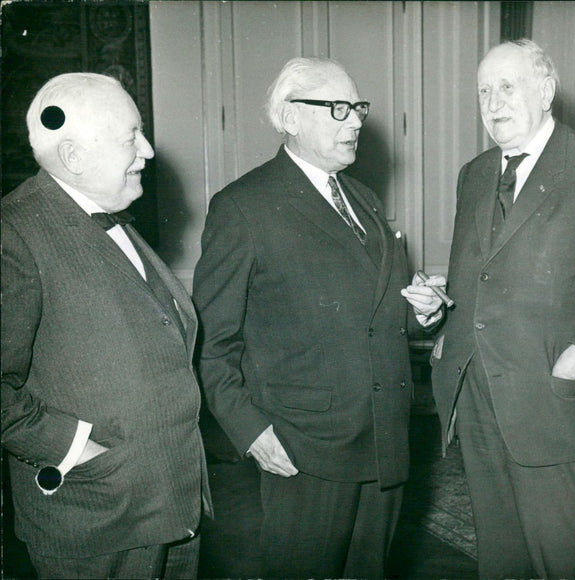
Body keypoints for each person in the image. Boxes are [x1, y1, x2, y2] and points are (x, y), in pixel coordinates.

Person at [192, 57, 443, 579]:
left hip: (385, 440)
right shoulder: (243, 207)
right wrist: (251, 430)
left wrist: (425, 312)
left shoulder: (365, 199)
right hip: (303, 447)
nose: (355, 121)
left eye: (357, 108)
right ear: (289, 117)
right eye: (337, 108)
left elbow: (380, 312)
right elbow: (212, 344)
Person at [428, 38, 575, 578]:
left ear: (546, 91)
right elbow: (487, 275)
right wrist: (445, 313)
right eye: (483, 90)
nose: (493, 102)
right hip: (478, 397)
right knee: (501, 559)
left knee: (559, 560)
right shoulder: (475, 173)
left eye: (507, 87)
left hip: (555, 404)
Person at [1, 73, 211, 579]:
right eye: (131, 137)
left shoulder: (111, 218)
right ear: (73, 157)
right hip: (97, 520)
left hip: (173, 508)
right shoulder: (14, 233)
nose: (149, 151)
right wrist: (78, 450)